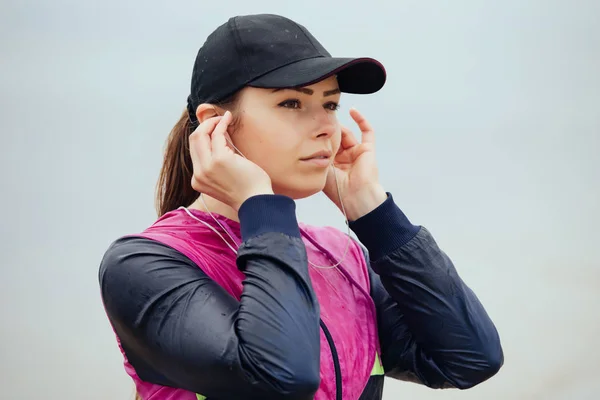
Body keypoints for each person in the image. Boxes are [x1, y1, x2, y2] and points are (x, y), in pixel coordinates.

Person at [98, 13, 503, 400]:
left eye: (330, 104)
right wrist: (261, 205)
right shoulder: (143, 264)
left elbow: (469, 359)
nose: (326, 127)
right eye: (292, 103)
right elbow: (281, 377)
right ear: (214, 123)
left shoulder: (340, 256)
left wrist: (375, 214)